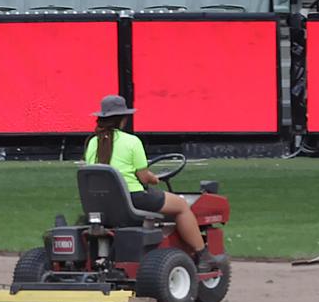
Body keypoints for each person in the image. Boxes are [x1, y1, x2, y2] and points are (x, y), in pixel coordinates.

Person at [84, 95, 219, 273]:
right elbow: (143, 177)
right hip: (132, 199)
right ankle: (202, 255)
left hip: (101, 204)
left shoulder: (92, 143)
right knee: (181, 206)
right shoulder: (132, 142)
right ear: (123, 119)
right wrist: (153, 179)